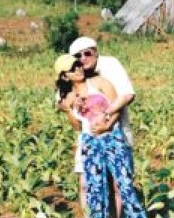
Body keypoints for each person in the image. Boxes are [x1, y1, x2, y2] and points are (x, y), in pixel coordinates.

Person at [54, 54, 146, 218]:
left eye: (78, 65)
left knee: (124, 183)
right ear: (64, 76)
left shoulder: (99, 82)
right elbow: (78, 127)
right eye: (72, 68)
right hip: (90, 142)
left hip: (112, 137)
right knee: (95, 187)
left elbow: (117, 105)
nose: (78, 69)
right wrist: (69, 109)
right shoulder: (68, 96)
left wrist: (108, 125)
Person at [67, 36, 136, 217]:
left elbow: (126, 95)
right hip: (89, 140)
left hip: (116, 133)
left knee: (119, 184)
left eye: (87, 53)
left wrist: (106, 122)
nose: (83, 58)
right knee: (87, 184)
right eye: (78, 56)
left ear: (96, 52)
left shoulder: (109, 66)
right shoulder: (71, 77)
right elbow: (72, 117)